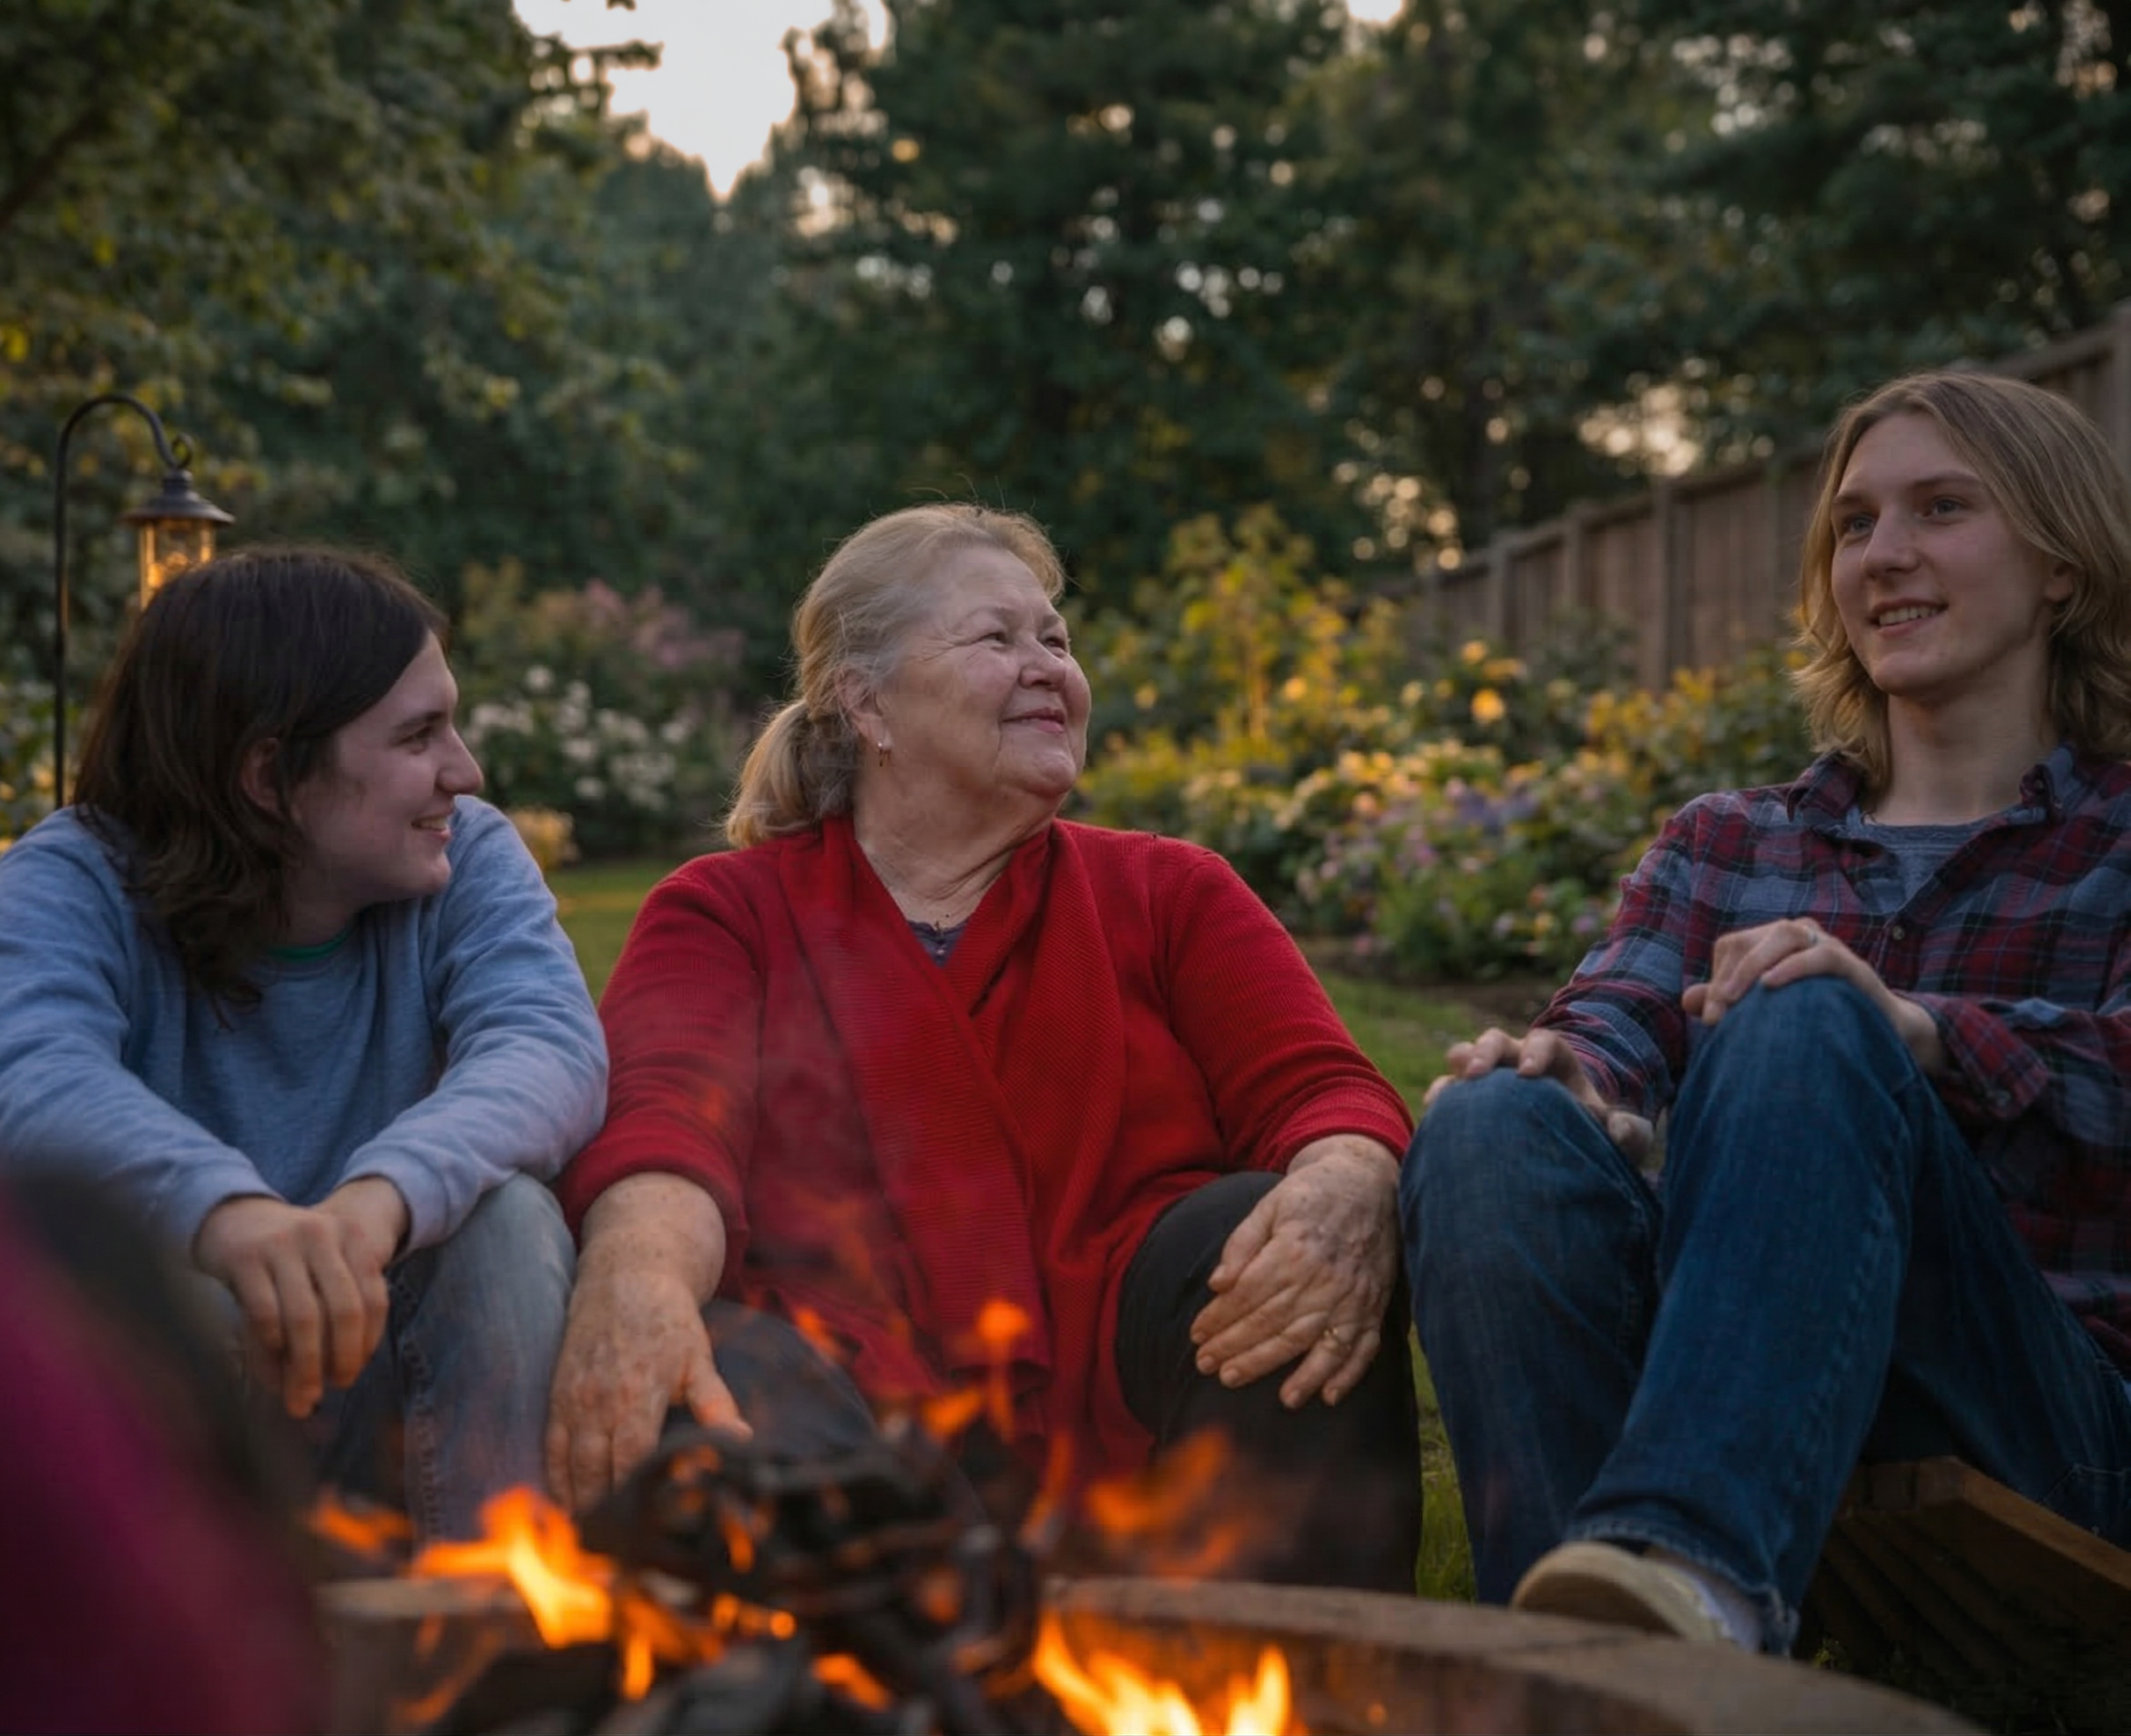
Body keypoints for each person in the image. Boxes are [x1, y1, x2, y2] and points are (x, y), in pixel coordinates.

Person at [547, 502, 1420, 1591]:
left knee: (1279, 1237)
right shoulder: (727, 913)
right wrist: (638, 1277)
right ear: (865, 701)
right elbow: (665, 1130)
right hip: (851, 1407)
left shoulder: (1169, 891)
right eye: (997, 639)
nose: (1048, 665)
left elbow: (1325, 1092)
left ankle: (1306, 1677)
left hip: (1140, 1386)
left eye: (1055, 638)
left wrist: (1349, 1177)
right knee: (727, 1358)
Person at [1402, 370, 2131, 1653]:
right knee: (1487, 1120)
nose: (1885, 556)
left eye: (1941, 508)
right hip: (1743, 1374)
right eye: (1854, 524)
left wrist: (1913, 1031)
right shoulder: (1729, 838)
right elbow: (1620, 1014)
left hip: (2042, 1416)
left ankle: (1698, 1576)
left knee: (1805, 1014)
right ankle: (1586, 1658)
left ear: (2063, 565)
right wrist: (1568, 1075)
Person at [0, 546, 607, 1540]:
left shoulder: (468, 854)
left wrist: (380, 1200)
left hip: (402, 1388)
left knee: (507, 1222)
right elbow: (30, 1074)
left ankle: (499, 1643)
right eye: (420, 735)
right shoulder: (72, 880)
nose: (467, 769)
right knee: (149, 1256)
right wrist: (232, 1216)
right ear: (271, 776)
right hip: (168, 1415)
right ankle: (197, 1656)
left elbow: (547, 1046)